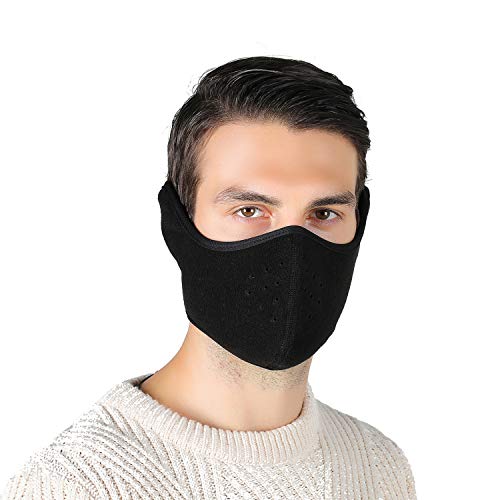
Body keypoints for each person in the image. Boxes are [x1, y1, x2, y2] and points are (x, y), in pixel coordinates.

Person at [2, 56, 417, 499]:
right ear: (179, 224)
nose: (293, 251)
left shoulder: (378, 466)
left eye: (324, 213)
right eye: (249, 210)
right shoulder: (75, 485)